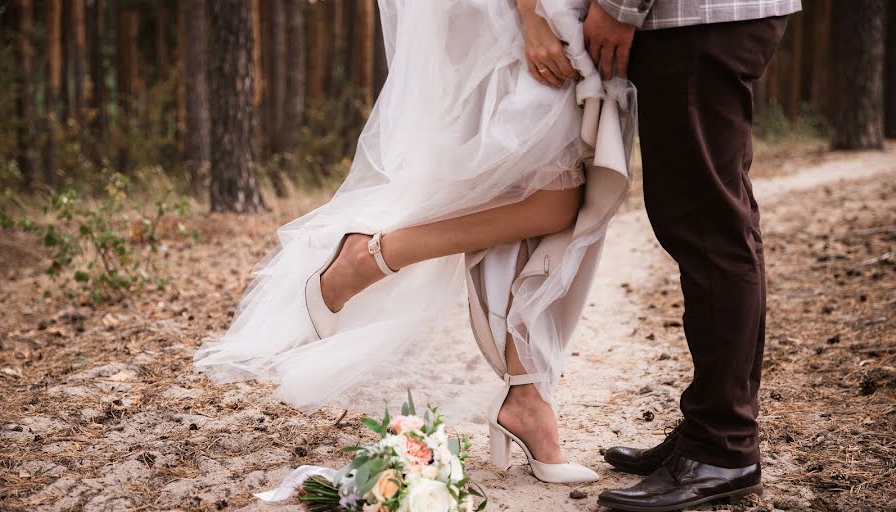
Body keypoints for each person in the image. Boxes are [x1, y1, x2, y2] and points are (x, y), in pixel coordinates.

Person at [195, 0, 636, 485]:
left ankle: (527, 402)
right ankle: (375, 255)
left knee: (533, 197)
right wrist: (531, 12)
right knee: (549, 200)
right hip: (513, 14)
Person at [582, 0, 801, 512]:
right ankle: (716, 427)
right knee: (720, 223)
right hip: (711, 21)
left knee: (709, 229)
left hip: (703, 21)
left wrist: (619, 6)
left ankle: (722, 447)